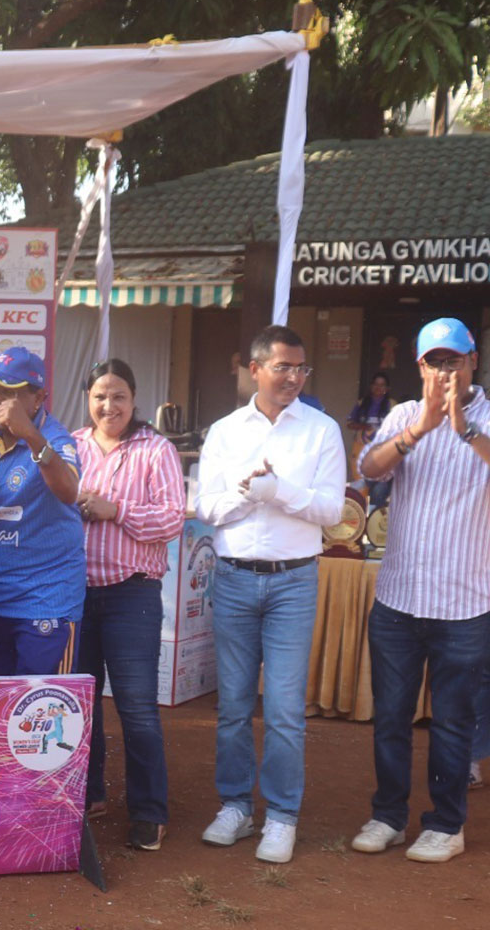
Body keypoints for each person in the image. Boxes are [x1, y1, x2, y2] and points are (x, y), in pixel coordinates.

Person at [194, 324, 344, 865]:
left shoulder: (321, 431)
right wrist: (245, 491)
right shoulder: (226, 431)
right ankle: (236, 806)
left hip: (293, 580)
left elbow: (332, 510)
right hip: (233, 576)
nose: (293, 378)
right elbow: (206, 508)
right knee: (233, 706)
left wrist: (278, 490)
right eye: (283, 367)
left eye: (301, 368)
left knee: (283, 708)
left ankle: (281, 815)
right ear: (253, 369)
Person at [349, 319, 489, 863]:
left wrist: (463, 428)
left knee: (453, 723)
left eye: (454, 360)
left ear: (473, 361)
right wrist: (423, 427)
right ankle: (388, 816)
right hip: (399, 601)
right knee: (391, 718)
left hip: (465, 605)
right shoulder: (405, 414)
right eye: (435, 361)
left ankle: (446, 824)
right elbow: (368, 467)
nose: (445, 370)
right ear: (420, 368)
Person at [71, 359, 186, 849]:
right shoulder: (72, 447)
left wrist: (113, 509)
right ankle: (90, 794)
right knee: (82, 704)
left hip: (131, 594)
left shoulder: (155, 450)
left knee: (137, 707)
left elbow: (172, 520)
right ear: (88, 400)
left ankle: (148, 810)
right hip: (75, 593)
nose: (108, 405)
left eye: (118, 395)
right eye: (99, 395)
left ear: (134, 399)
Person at [0, 347, 84, 679]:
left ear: (38, 398)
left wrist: (30, 435)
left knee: (44, 711)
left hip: (48, 602)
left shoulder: (57, 438)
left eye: (9, 391)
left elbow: (69, 491)